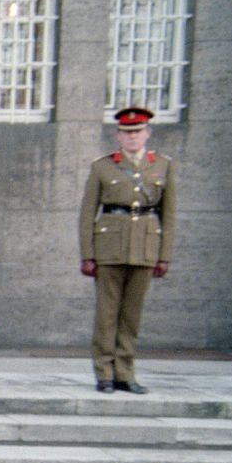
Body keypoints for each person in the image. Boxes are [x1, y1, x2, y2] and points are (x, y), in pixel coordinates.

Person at [78, 106, 177, 394]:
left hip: (145, 246)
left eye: (137, 132)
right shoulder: (102, 166)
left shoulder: (163, 165)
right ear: (118, 136)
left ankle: (125, 371)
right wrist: (87, 254)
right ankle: (104, 373)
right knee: (107, 313)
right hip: (109, 245)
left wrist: (164, 255)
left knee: (132, 315)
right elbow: (87, 214)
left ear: (147, 133)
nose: (132, 137)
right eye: (126, 132)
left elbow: (168, 214)